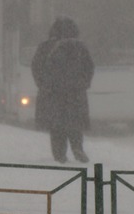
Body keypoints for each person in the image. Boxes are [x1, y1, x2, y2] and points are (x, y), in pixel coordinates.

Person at [31, 17, 94, 163]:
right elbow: (89, 68)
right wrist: (83, 84)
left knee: (56, 127)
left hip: (53, 94)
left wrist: (43, 85)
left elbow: (36, 67)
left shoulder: (45, 47)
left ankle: (59, 155)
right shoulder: (80, 47)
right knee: (75, 124)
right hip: (75, 94)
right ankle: (77, 147)